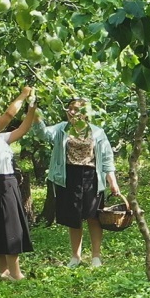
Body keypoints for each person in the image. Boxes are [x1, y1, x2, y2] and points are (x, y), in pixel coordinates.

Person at [34, 97, 121, 268]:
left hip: (92, 176)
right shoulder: (62, 129)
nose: (72, 112)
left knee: (94, 217)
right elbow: (43, 134)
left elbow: (106, 158)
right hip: (68, 176)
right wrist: (35, 113)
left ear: (86, 113)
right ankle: (75, 257)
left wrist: (112, 181)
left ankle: (96, 257)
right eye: (70, 108)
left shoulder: (97, 132)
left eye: (76, 109)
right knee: (73, 218)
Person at [0, 86, 39, 280]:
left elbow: (23, 129)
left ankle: (2, 271)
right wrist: (23, 94)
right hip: (0, 183)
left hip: (4, 183)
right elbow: (10, 115)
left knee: (0, 225)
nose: (0, 116)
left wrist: (32, 106)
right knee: (9, 226)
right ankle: (16, 274)